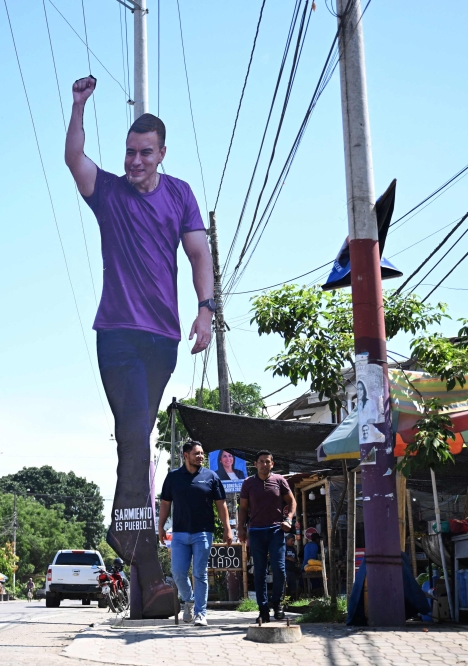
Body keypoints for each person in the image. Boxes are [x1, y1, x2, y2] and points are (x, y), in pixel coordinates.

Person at [65, 75, 214, 619]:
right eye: (129, 152)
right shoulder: (109, 192)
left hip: (163, 339)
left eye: (144, 152)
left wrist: (206, 308)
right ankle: (143, 564)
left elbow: (199, 253)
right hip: (118, 337)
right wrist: (79, 106)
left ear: (161, 153)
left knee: (137, 437)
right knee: (133, 433)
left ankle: (138, 559)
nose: (135, 161)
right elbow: (74, 158)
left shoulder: (179, 194)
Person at [157, 440, 232, 626]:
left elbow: (221, 503)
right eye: (197, 453)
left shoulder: (211, 476)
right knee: (178, 572)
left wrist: (227, 528)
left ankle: (201, 613)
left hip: (203, 533)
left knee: (200, 573)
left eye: (202, 453)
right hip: (180, 533)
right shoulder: (173, 477)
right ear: (186, 455)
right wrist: (160, 527)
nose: (201, 456)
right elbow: (165, 503)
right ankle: (189, 600)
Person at [238, 450, 297, 623]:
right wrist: (241, 529)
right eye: (261, 461)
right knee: (260, 572)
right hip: (256, 532)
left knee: (279, 569)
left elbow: (292, 501)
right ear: (255, 464)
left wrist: (288, 519)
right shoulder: (248, 483)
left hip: (276, 531)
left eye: (268, 461)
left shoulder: (280, 481)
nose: (264, 464)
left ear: (272, 464)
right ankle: (263, 609)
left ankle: (277, 604)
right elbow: (243, 508)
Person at [284, 534, 301, 600]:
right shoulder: (283, 547)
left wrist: (297, 561)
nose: (293, 542)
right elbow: (279, 557)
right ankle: (285, 601)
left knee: (293, 588)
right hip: (286, 570)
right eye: (291, 541)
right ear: (287, 540)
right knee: (286, 588)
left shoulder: (293, 548)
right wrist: (288, 558)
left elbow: (295, 558)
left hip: (292, 571)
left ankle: (292, 601)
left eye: (294, 541)